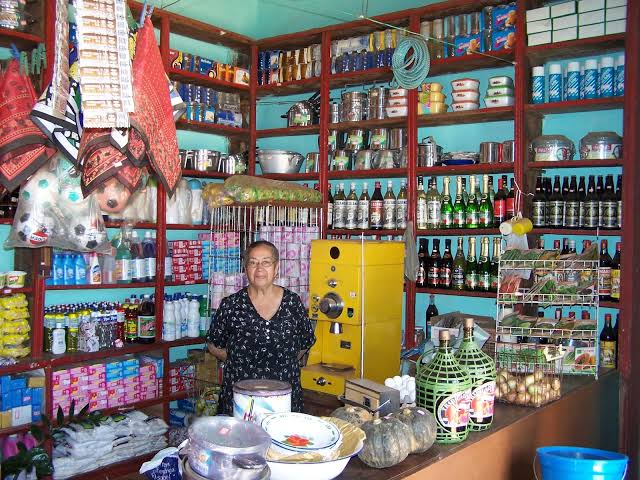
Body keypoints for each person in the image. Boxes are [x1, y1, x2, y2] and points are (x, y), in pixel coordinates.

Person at [207, 240, 315, 416]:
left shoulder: (292, 303)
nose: (259, 269)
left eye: (266, 262)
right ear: (245, 269)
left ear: (276, 268)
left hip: (283, 399)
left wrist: (283, 362)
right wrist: (238, 360)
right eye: (253, 262)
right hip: (241, 400)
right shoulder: (231, 305)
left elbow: (305, 342)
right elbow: (213, 345)